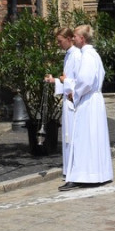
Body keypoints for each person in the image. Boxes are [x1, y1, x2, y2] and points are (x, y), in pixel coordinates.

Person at [61, 25, 113, 191]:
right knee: (93, 137)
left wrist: (74, 93)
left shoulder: (87, 55)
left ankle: (84, 175)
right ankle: (97, 173)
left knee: (83, 138)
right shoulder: (92, 54)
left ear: (82, 38)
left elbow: (85, 80)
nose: (73, 38)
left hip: (88, 100)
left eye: (75, 36)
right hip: (93, 99)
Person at [45, 28, 81, 179]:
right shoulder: (68, 55)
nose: (58, 44)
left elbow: (79, 80)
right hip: (68, 98)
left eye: (60, 41)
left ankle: (75, 167)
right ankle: (69, 168)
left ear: (69, 38)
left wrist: (63, 80)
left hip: (73, 100)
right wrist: (55, 80)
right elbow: (67, 79)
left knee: (72, 135)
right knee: (67, 135)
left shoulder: (77, 56)